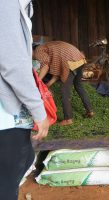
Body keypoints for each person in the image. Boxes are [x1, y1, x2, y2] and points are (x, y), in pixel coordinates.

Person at [0, 0, 49, 199]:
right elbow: (12, 61)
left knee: (25, 157)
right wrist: (38, 108)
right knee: (8, 180)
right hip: (5, 113)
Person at [33, 41, 94, 126]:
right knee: (78, 86)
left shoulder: (38, 50)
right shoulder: (49, 48)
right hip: (79, 59)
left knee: (64, 91)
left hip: (70, 61)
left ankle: (68, 119)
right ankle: (90, 111)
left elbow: (45, 66)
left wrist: (37, 81)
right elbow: (57, 73)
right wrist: (47, 85)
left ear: (31, 50)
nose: (34, 58)